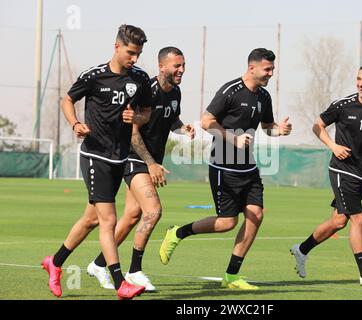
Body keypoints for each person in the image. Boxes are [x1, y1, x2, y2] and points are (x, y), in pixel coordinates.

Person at [158, 48, 292, 290]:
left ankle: (231, 276)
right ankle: (177, 233)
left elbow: (267, 126)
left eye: (273, 69)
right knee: (226, 223)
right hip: (223, 167)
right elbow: (207, 120)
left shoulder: (264, 97)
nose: (271, 74)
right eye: (267, 69)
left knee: (256, 215)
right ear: (252, 68)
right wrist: (233, 139)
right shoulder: (231, 90)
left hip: (248, 168)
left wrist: (278, 130)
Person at [41, 24, 153, 300]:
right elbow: (67, 100)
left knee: (91, 219)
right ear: (116, 47)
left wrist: (136, 119)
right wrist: (75, 123)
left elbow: (147, 113)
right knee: (109, 220)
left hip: (119, 157)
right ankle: (120, 283)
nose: (135, 59)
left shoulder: (140, 79)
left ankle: (54, 263)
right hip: (94, 156)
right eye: (130, 52)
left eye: (138, 54)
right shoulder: (93, 76)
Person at [86, 47, 195, 292]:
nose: (182, 70)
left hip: (147, 160)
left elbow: (171, 118)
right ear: (162, 66)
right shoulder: (148, 91)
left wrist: (182, 128)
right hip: (133, 157)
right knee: (153, 212)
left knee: (133, 216)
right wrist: (151, 163)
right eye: (177, 66)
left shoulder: (175, 91)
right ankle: (134, 270)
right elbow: (133, 133)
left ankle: (98, 264)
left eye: (183, 65)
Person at [290, 64, 362, 289]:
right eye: (358, 79)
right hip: (341, 169)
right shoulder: (343, 105)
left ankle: (302, 249)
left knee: (338, 221)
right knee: (358, 219)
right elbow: (317, 126)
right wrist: (333, 145)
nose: (361, 83)